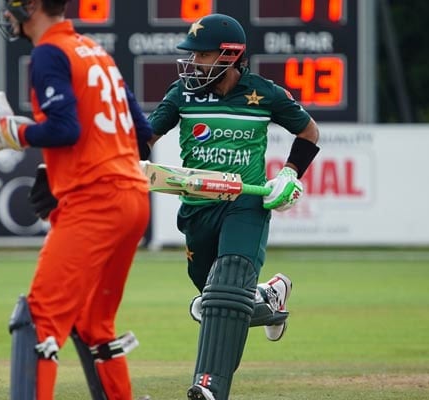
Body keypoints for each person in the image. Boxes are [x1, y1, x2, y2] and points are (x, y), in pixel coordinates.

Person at [0, 1, 152, 399]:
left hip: (96, 201)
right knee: (94, 323)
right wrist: (65, 167)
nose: (6, 14)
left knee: (39, 320)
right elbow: (141, 130)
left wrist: (13, 132)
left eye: (11, 6)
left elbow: (64, 128)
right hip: (132, 199)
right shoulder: (95, 51)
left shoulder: (48, 52)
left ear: (31, 6)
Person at [145, 13, 320, 400]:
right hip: (197, 207)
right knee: (214, 299)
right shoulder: (182, 93)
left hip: (246, 201)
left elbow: (309, 131)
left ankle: (209, 387)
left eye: (202, 56)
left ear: (229, 56)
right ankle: (267, 298)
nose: (193, 64)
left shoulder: (265, 93)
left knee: (223, 293)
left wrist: (290, 174)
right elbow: (147, 136)